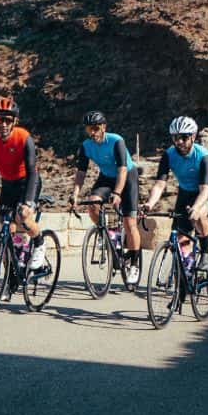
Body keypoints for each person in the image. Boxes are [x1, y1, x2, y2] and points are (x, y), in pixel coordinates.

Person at [0, 95, 48, 271]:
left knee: (22, 215)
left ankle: (39, 243)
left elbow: (31, 171)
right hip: (8, 184)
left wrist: (29, 203)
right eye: (0, 119)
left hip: (28, 181)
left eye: (8, 120)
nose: (3, 124)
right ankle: (11, 278)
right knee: (6, 228)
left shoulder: (23, 137)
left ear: (14, 121)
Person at [70, 110, 143, 285]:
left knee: (129, 222)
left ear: (103, 127)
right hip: (106, 177)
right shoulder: (86, 146)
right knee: (93, 203)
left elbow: (122, 169)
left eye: (95, 128)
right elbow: (81, 172)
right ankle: (107, 232)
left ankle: (133, 262)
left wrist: (117, 193)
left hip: (127, 177)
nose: (92, 133)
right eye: (89, 129)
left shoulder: (116, 140)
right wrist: (75, 194)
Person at [143, 115, 208, 263]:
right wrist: (149, 204)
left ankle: (206, 253)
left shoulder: (203, 156)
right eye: (176, 138)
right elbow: (160, 184)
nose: (179, 142)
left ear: (193, 136)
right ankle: (187, 266)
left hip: (207, 191)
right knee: (180, 236)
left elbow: (205, 190)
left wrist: (196, 207)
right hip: (185, 192)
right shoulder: (169, 155)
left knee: (199, 214)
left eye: (184, 137)